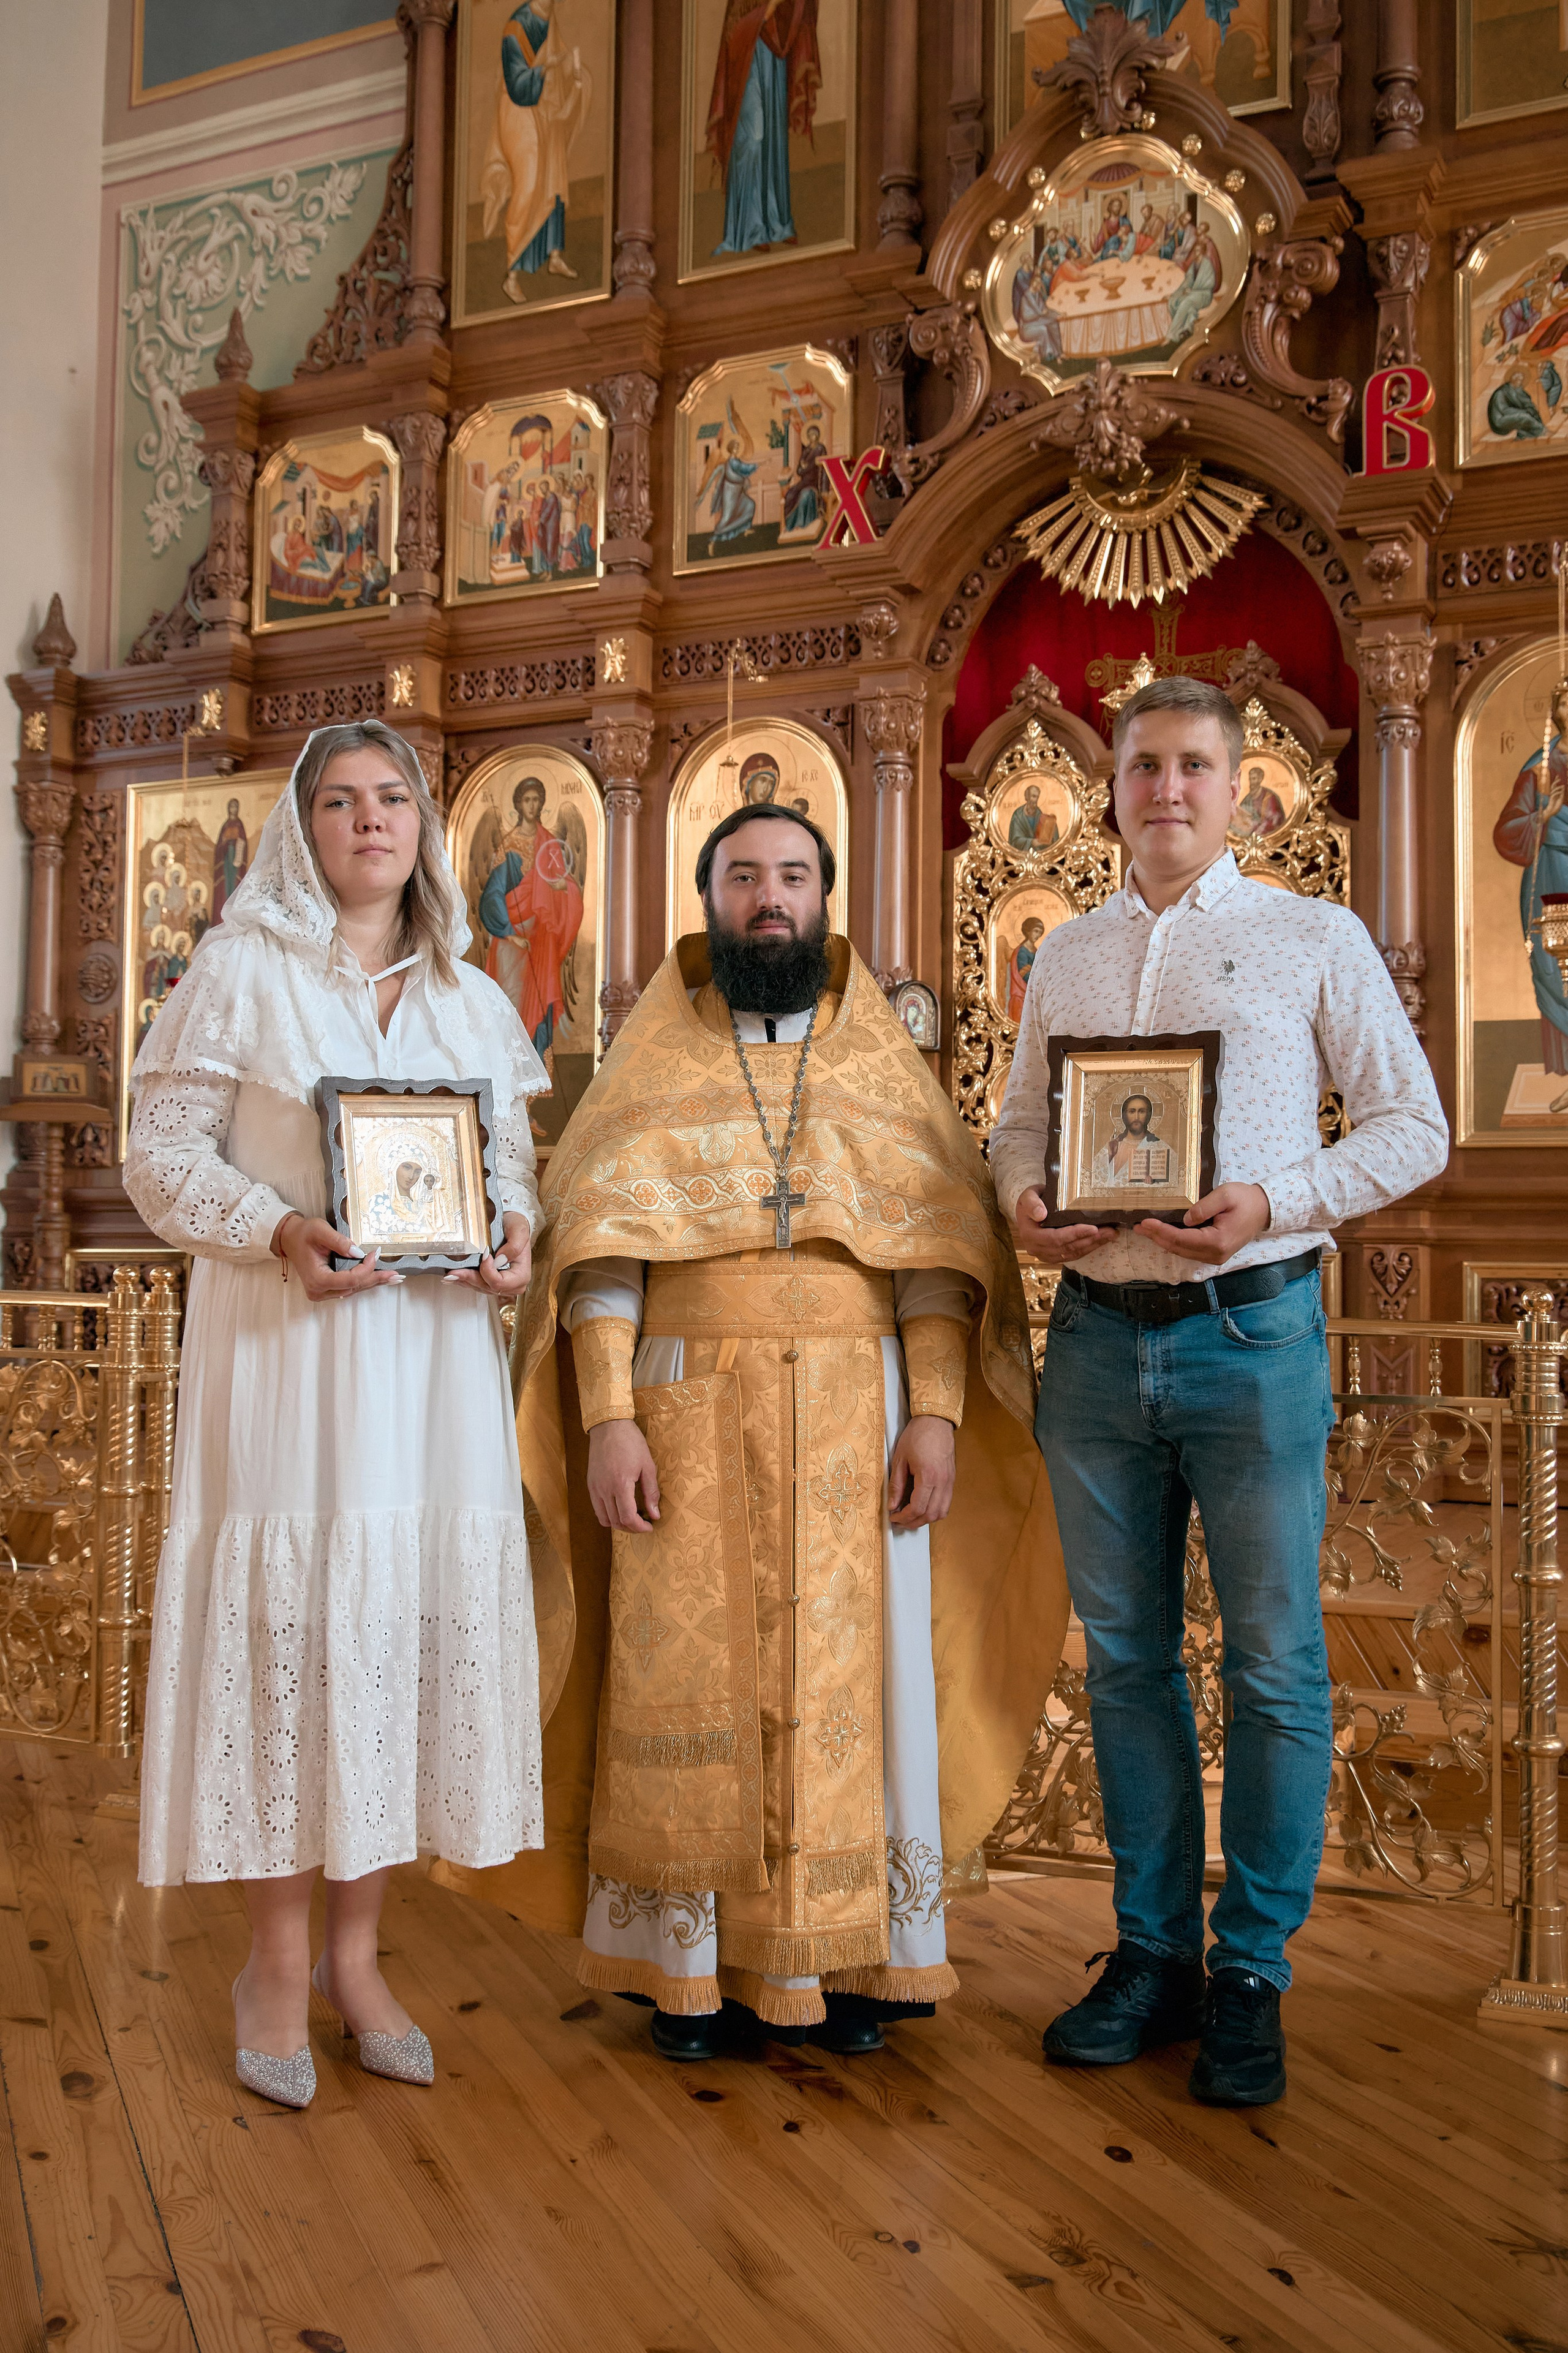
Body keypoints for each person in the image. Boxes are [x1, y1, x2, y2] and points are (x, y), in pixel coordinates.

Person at [441, 804, 1067, 2061]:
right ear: (707, 898)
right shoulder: (649, 1059)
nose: (766, 899)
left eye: (789, 876)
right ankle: (689, 1970)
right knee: (689, 1674)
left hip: (856, 1411)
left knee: (854, 1687)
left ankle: (852, 1962)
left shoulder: (878, 1062)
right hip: (681, 1406)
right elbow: (598, 1257)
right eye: (742, 878)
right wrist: (607, 1419)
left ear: (823, 898)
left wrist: (935, 1413)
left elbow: (938, 1262)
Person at [990, 674, 1447, 2109]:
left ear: (1238, 786)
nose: (1166, 791)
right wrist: (1018, 1199)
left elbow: (1410, 1125)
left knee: (1269, 1663)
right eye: (1142, 768)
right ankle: (1149, 1953)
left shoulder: (1309, 936)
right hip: (1093, 1342)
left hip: (1248, 1336)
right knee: (1120, 1662)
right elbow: (1014, 1123)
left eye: (1193, 766)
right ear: (1111, 785)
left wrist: (1273, 1200)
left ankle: (1249, 1964)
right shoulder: (1063, 953)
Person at [124, 719, 550, 2112]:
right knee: (288, 1637)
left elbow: (512, 1178)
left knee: (389, 1638)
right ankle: (272, 1959)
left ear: (425, 828)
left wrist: (508, 1242)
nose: (372, 820)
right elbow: (159, 1155)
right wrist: (277, 1224)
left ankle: (360, 1959)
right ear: (300, 830)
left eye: (393, 799)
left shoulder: (472, 995)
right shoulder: (238, 975)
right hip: (288, 1358)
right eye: (341, 801)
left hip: (427, 1371)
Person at [484, 0, 589, 298]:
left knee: (554, 178)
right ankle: (512, 274)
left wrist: (575, 72)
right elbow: (517, 82)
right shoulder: (517, 26)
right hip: (518, 109)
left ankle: (554, 255)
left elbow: (560, 62)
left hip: (543, 106)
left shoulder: (550, 18)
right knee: (529, 184)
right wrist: (549, 67)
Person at [478, 774, 586, 1065]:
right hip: (512, 941)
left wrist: (565, 889)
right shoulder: (509, 844)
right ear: (518, 804)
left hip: (541, 941)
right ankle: (507, 1077)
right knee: (510, 1005)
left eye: (537, 799)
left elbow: (566, 887)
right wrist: (509, 932)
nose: (532, 805)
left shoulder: (549, 843)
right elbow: (492, 896)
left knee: (539, 1011)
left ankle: (535, 1080)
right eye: (527, 799)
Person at [1492, 674, 1568, 1076]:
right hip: (1549, 876)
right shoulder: (1538, 769)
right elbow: (1507, 831)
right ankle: (1561, 1074)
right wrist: (1544, 816)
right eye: (1565, 703)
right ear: (1554, 713)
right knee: (1550, 966)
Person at [705, 0, 821, 257]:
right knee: (753, 137)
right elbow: (736, 28)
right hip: (747, 60)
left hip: (773, 57)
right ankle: (748, 228)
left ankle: (777, 223)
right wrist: (770, 8)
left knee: (774, 138)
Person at [1008, 915, 1046, 1022]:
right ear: (1028, 931)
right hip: (1021, 995)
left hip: (1032, 994)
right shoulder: (1022, 952)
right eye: (1036, 931)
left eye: (1040, 933)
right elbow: (1025, 975)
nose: (1037, 935)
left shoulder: (1035, 950)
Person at [1008, 782, 1061, 851]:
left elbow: (1051, 839)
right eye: (1033, 796)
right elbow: (1015, 841)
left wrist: (1051, 831)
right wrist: (1031, 842)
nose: (1035, 800)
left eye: (1037, 797)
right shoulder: (1018, 816)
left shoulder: (1041, 816)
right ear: (1027, 797)